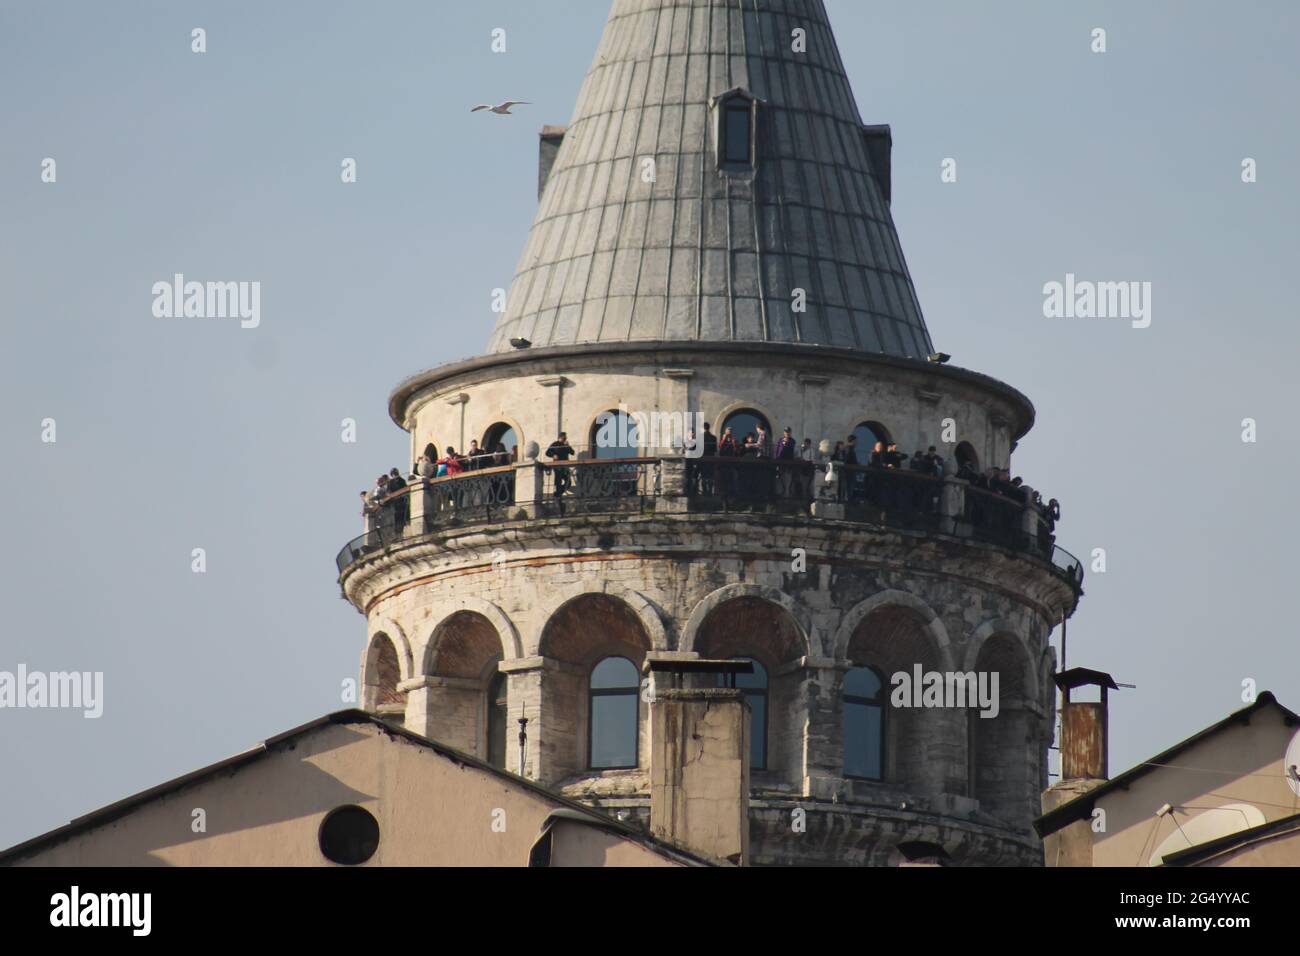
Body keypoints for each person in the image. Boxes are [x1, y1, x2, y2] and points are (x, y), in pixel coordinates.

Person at [546, 432, 574, 497]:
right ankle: (557, 494)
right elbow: (547, 453)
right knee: (558, 481)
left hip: (565, 466)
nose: (565, 439)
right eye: (564, 437)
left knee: (568, 482)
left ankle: (558, 493)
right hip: (557, 466)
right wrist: (553, 455)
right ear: (560, 437)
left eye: (565, 438)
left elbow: (572, 452)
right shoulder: (555, 444)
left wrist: (568, 446)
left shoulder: (565, 445)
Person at [775, 427, 796, 498]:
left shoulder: (792, 441)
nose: (787, 433)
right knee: (780, 476)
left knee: (788, 477)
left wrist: (786, 442)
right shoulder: (780, 440)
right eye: (786, 432)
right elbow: (777, 449)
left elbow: (791, 448)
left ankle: (787, 492)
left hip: (788, 461)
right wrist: (776, 458)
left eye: (788, 432)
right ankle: (781, 491)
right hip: (780, 461)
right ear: (784, 433)